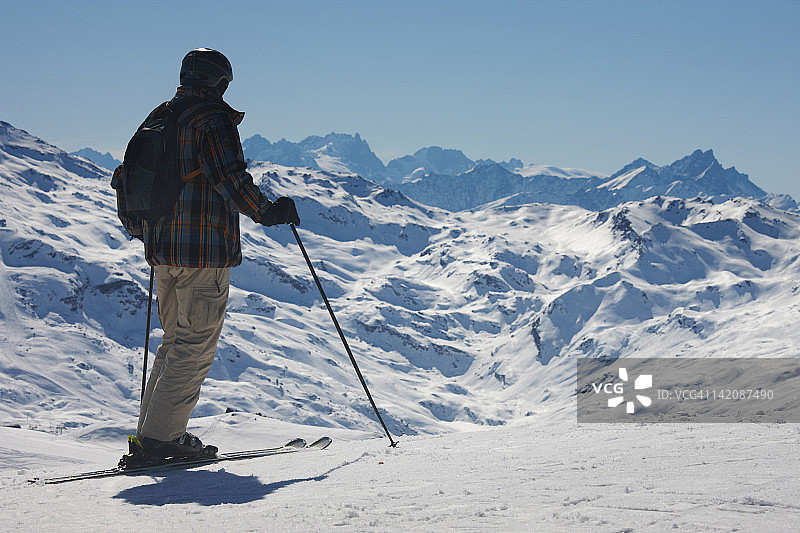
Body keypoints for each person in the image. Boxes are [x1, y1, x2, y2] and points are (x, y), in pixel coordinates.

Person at [113, 48, 299, 460]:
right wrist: (267, 210)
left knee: (174, 343)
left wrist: (144, 233)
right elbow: (228, 177)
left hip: (162, 254)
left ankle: (152, 435)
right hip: (202, 254)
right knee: (193, 346)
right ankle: (162, 442)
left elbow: (123, 178)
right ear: (221, 83)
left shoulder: (159, 116)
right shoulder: (211, 120)